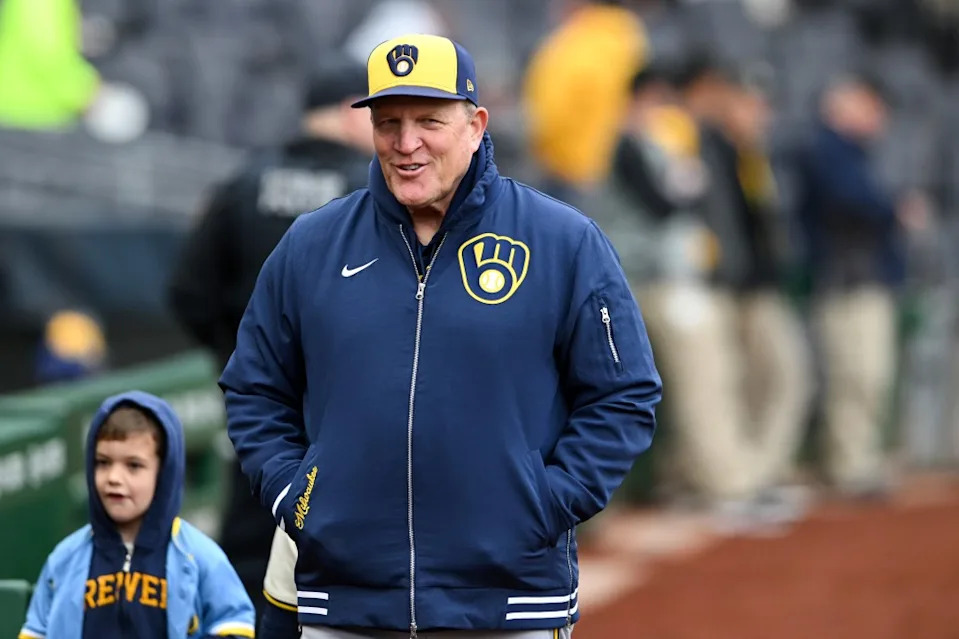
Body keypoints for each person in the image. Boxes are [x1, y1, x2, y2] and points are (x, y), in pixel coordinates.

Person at [220, 32, 662, 639]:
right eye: (389, 122)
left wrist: (546, 502)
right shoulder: (311, 245)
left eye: (429, 120)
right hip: (348, 600)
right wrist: (297, 497)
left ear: (476, 124)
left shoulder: (564, 241)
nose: (407, 144)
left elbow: (625, 393)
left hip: (509, 600)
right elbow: (254, 387)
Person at [167, 59, 374, 624]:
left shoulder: (245, 181)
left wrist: (237, 360)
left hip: (260, 401)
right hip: (351, 405)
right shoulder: (375, 186)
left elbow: (188, 289)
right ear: (348, 112)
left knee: (250, 543)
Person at [18, 390, 255, 639]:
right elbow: (36, 630)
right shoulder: (66, 558)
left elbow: (234, 626)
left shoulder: (199, 556)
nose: (114, 478)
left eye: (133, 466)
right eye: (103, 462)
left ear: (163, 473)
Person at [795, 74, 906, 498]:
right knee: (852, 376)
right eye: (869, 106)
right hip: (842, 282)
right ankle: (847, 466)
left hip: (865, 280)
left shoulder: (855, 154)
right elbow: (852, 201)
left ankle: (858, 460)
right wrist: (892, 209)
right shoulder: (825, 150)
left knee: (870, 378)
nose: (878, 118)